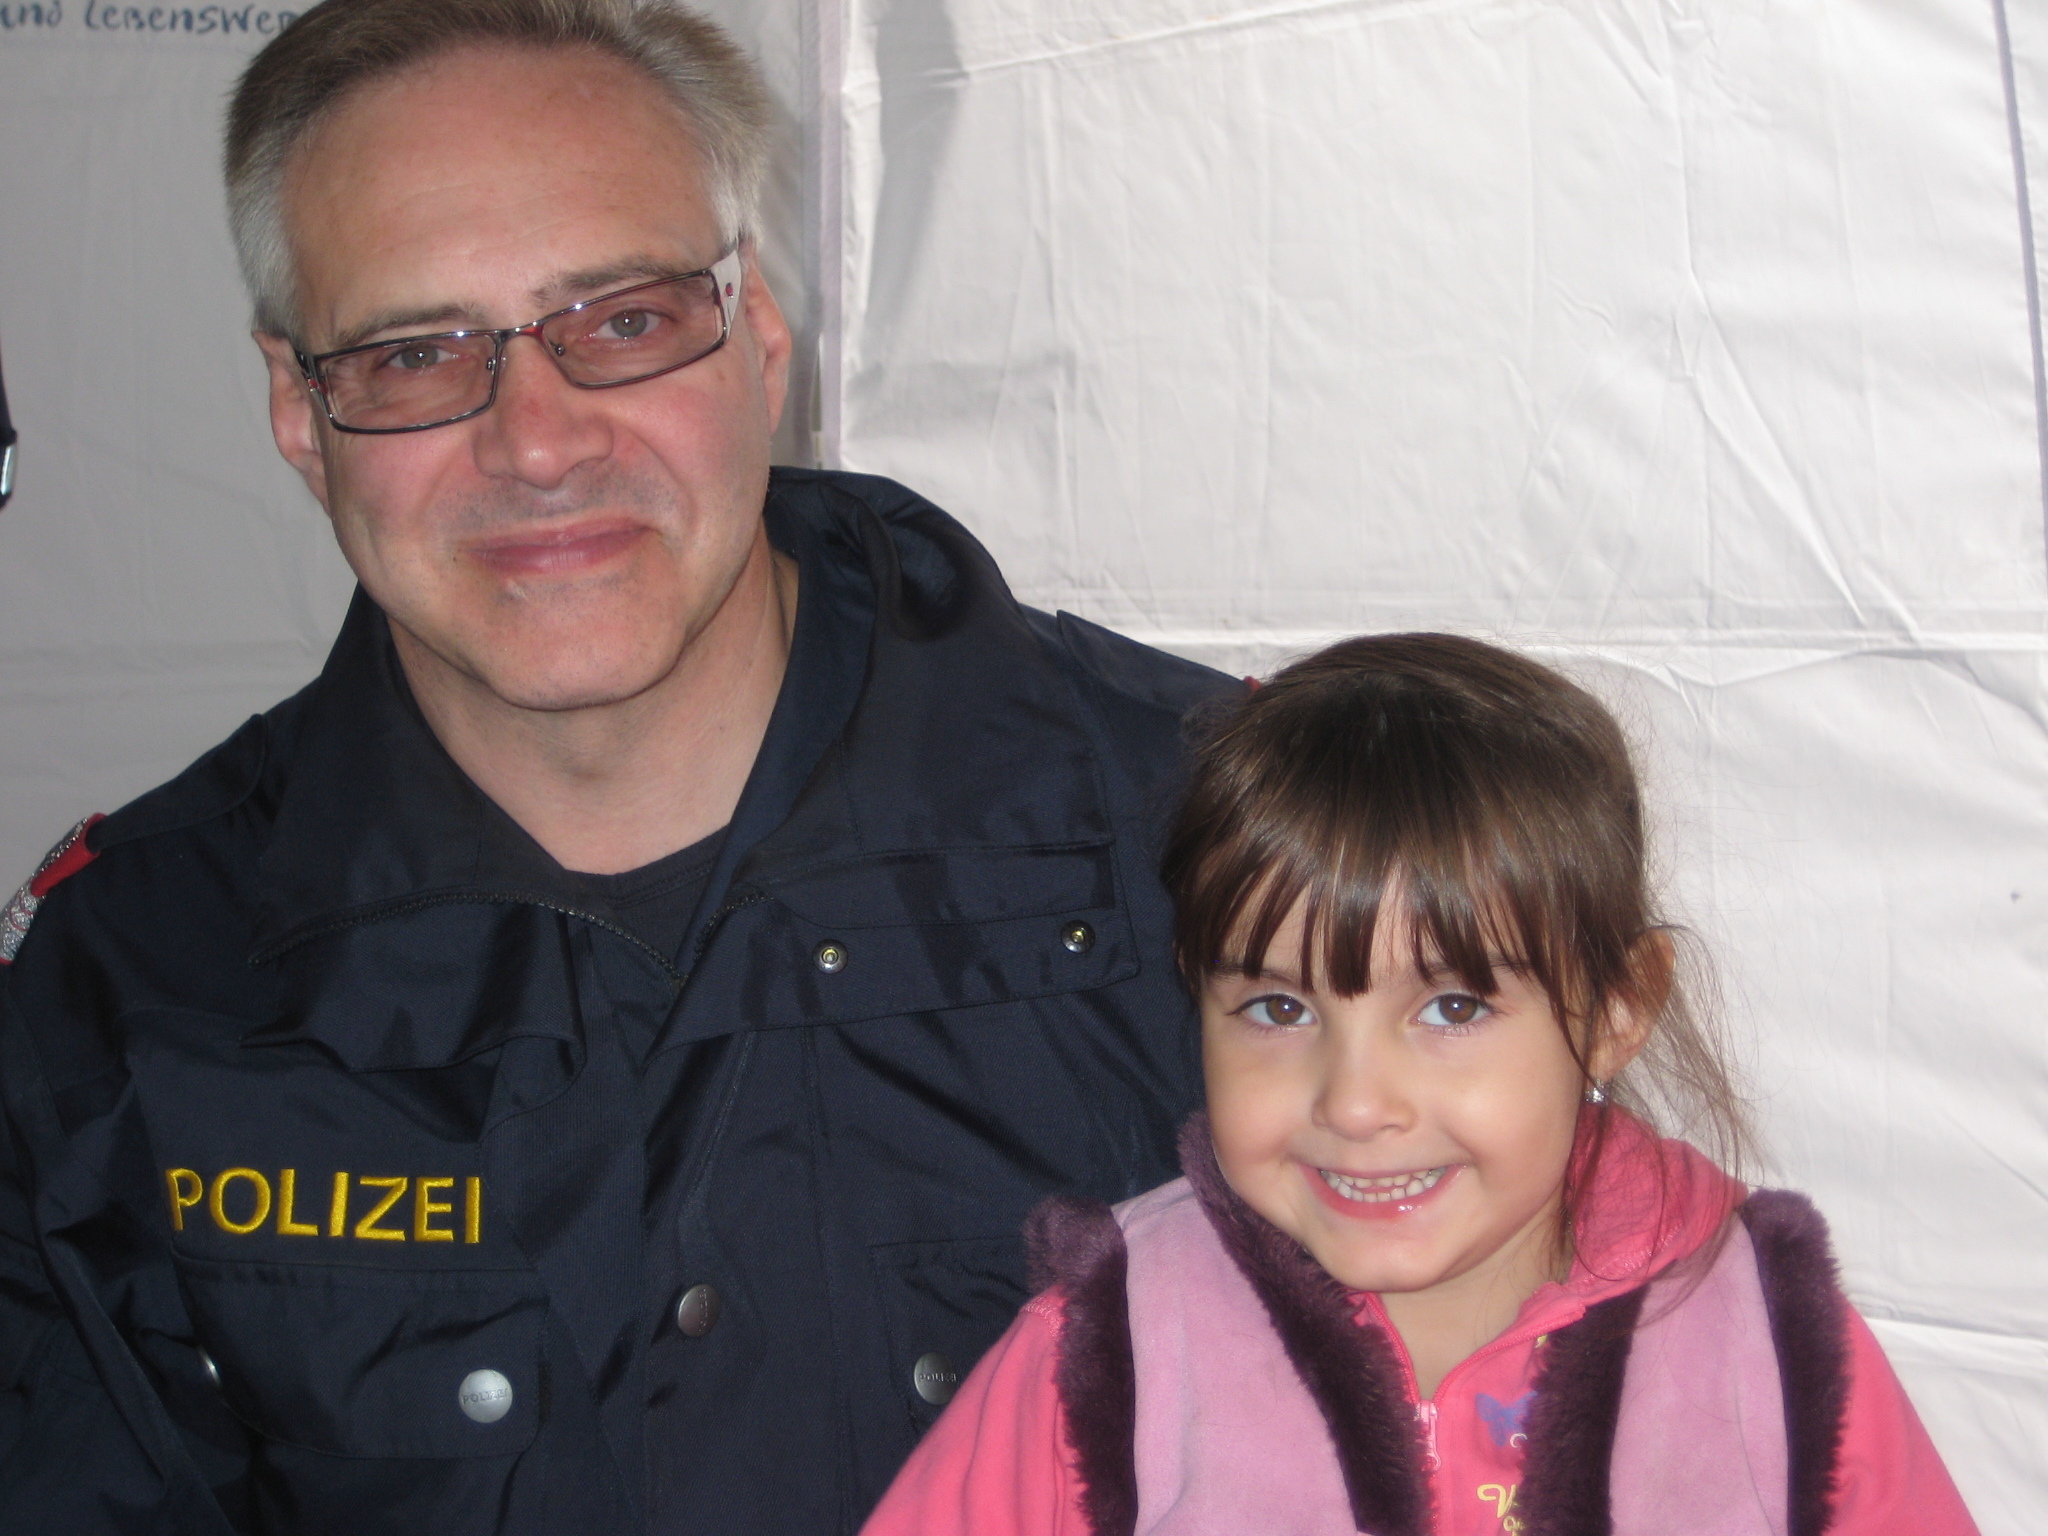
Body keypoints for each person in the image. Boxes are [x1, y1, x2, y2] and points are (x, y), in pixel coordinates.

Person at [0, 1, 1227, 1530]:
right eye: (413, 353)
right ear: (301, 417)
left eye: (625, 320)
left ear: (759, 336)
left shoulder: (1229, 856)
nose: (538, 443)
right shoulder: (132, 985)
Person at [860, 633, 1978, 1536]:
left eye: (1450, 1009)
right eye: (1278, 1009)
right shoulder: (1107, 1348)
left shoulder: (1768, 1338)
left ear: (1615, 1010)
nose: (1355, 1105)